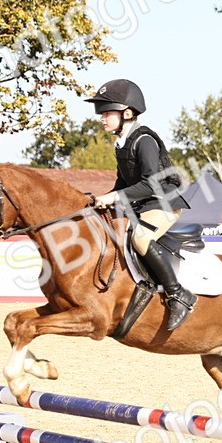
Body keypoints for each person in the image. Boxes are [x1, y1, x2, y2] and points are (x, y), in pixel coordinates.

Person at [88, 78, 195, 330]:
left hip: (164, 203)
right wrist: (100, 200)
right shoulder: (122, 142)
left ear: (126, 112)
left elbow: (151, 183)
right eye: (100, 113)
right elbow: (121, 183)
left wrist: (114, 197)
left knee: (141, 238)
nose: (101, 118)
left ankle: (178, 294)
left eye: (106, 112)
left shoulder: (144, 139)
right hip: (144, 204)